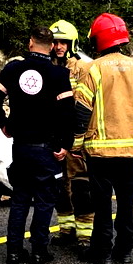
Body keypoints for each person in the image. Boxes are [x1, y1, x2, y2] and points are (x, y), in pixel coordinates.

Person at [74, 13, 133, 264]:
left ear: (98, 39)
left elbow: (81, 111)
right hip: (129, 152)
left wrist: (76, 144)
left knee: (101, 206)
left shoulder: (94, 69)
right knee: (126, 204)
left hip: (99, 153)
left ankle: (101, 252)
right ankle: (124, 250)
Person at [0, 26, 76, 264]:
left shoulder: (14, 69)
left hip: (21, 146)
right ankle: (38, 252)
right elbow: (68, 114)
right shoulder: (59, 75)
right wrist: (65, 144)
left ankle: (13, 251)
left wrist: (2, 124)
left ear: (30, 43)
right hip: (47, 148)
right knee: (45, 201)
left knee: (20, 199)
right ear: (52, 46)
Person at [49, 19, 94, 251]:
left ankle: (85, 234)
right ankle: (66, 229)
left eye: (63, 43)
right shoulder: (47, 68)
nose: (59, 47)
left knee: (81, 187)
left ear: (72, 43)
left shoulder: (84, 69)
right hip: (55, 139)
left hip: (78, 140)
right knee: (59, 187)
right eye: (55, 42)